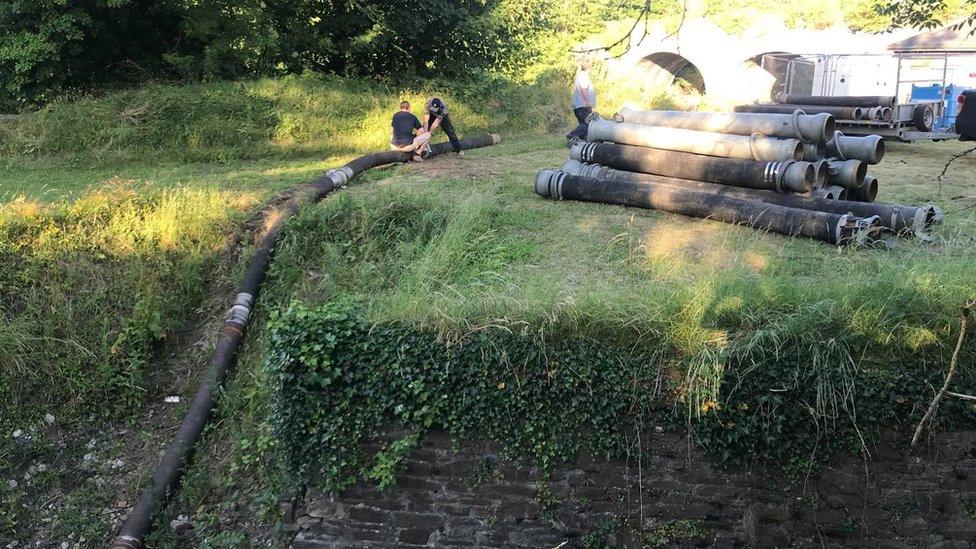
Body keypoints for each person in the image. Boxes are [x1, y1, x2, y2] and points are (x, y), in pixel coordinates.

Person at [567, 60, 596, 143]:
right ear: (588, 68)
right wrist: (587, 101)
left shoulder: (579, 76)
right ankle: (572, 136)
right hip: (583, 105)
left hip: (578, 105)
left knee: (583, 123)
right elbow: (583, 89)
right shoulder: (584, 76)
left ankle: (583, 141)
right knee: (588, 123)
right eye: (591, 68)